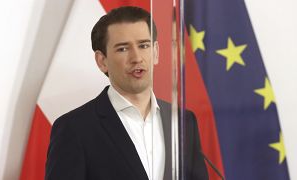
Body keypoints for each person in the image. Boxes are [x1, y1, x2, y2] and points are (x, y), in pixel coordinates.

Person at [45, 6, 208, 180]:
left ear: (156, 52)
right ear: (102, 61)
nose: (137, 57)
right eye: (123, 49)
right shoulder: (74, 128)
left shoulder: (183, 121)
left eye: (144, 45)